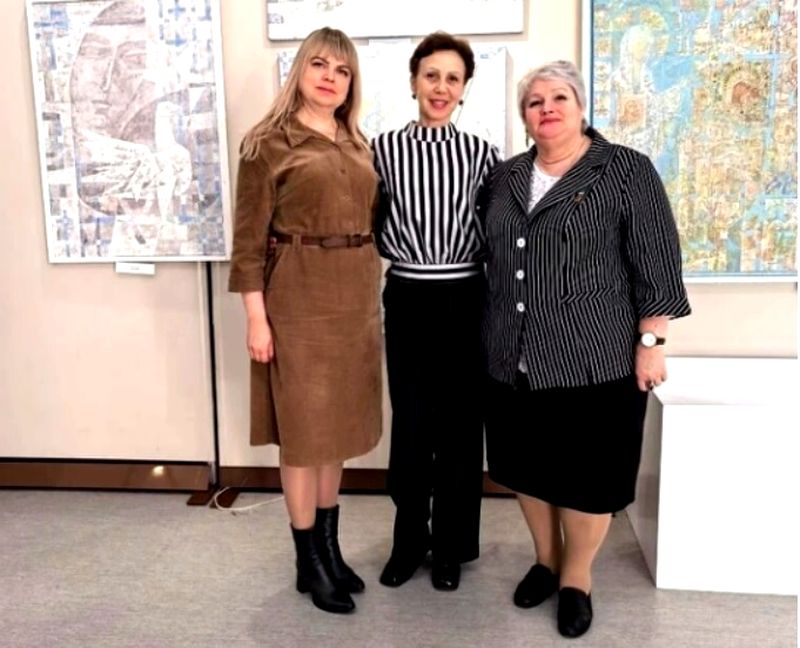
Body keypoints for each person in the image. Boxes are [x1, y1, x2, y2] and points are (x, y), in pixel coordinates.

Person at [482, 61, 691, 638]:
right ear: (524, 116)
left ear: (580, 107)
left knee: (589, 477)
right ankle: (545, 562)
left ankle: (576, 578)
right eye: (535, 102)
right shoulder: (504, 177)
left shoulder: (624, 169)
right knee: (526, 467)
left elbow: (656, 263)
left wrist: (652, 343)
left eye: (559, 97)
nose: (547, 108)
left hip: (595, 358)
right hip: (511, 356)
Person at [227, 27, 382, 615]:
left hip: (355, 302)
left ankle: (330, 549)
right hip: (297, 301)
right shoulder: (266, 143)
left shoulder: (357, 142)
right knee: (303, 435)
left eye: (342, 70)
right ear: (299, 71)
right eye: (319, 65)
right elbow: (247, 243)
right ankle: (307, 560)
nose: (330, 78)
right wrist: (256, 319)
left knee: (335, 431)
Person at [372, 32, 500, 592]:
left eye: (453, 78)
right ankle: (408, 541)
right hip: (408, 294)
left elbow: (498, 229)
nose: (441, 87)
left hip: (467, 295)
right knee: (412, 423)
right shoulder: (380, 151)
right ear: (413, 82)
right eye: (431, 76)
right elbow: (369, 221)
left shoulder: (483, 155)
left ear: (464, 88)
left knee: (460, 427)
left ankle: (450, 546)